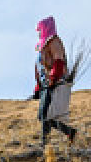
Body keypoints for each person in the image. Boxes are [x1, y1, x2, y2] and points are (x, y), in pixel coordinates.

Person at [33, 16, 77, 147]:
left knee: (46, 115)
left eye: (40, 30)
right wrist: (38, 87)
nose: (39, 33)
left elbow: (58, 61)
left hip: (55, 82)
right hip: (46, 84)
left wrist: (53, 78)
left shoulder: (54, 42)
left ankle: (47, 142)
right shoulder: (43, 46)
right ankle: (64, 134)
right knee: (43, 115)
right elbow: (40, 67)